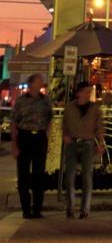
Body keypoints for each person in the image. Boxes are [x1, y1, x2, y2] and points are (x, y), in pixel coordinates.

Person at [10, 73, 53, 219]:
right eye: (39, 81)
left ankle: (37, 209)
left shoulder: (45, 101)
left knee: (38, 174)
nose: (42, 84)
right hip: (24, 137)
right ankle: (26, 209)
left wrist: (45, 135)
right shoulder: (22, 101)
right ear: (32, 84)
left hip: (39, 137)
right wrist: (14, 144)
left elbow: (49, 118)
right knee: (23, 175)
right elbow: (14, 122)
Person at [62, 81, 105, 219]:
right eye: (86, 92)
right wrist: (65, 135)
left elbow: (100, 128)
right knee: (69, 176)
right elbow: (64, 125)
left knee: (87, 176)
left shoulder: (95, 108)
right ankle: (70, 207)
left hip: (88, 143)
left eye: (89, 92)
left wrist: (101, 144)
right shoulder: (70, 107)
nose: (88, 95)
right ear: (78, 93)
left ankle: (85, 209)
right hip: (73, 143)